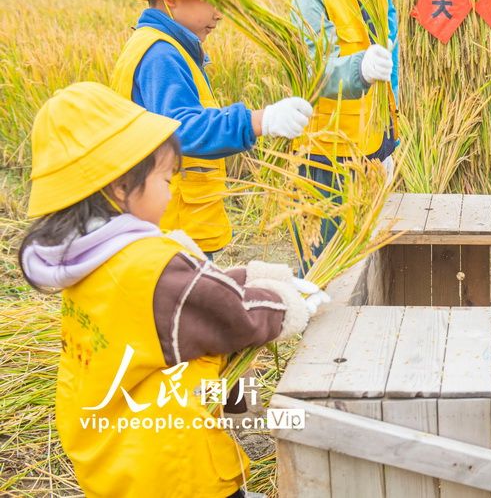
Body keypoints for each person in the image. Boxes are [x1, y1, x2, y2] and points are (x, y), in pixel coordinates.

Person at [19, 82, 329, 498]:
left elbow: (185, 306)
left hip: (116, 462)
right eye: (166, 179)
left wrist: (253, 275)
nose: (170, 193)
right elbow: (233, 315)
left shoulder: (86, 263)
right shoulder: (152, 266)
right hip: (173, 471)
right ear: (119, 188)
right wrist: (289, 301)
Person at [111, 0, 313, 254]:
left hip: (175, 227)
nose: (220, 12)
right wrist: (259, 121)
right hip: (170, 233)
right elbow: (181, 129)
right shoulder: (160, 55)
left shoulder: (167, 47)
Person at [289, 0, 406, 262]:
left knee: (364, 270)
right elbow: (316, 73)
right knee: (328, 276)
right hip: (325, 163)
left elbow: (389, 76)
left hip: (368, 155)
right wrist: (359, 69)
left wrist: (389, 142)